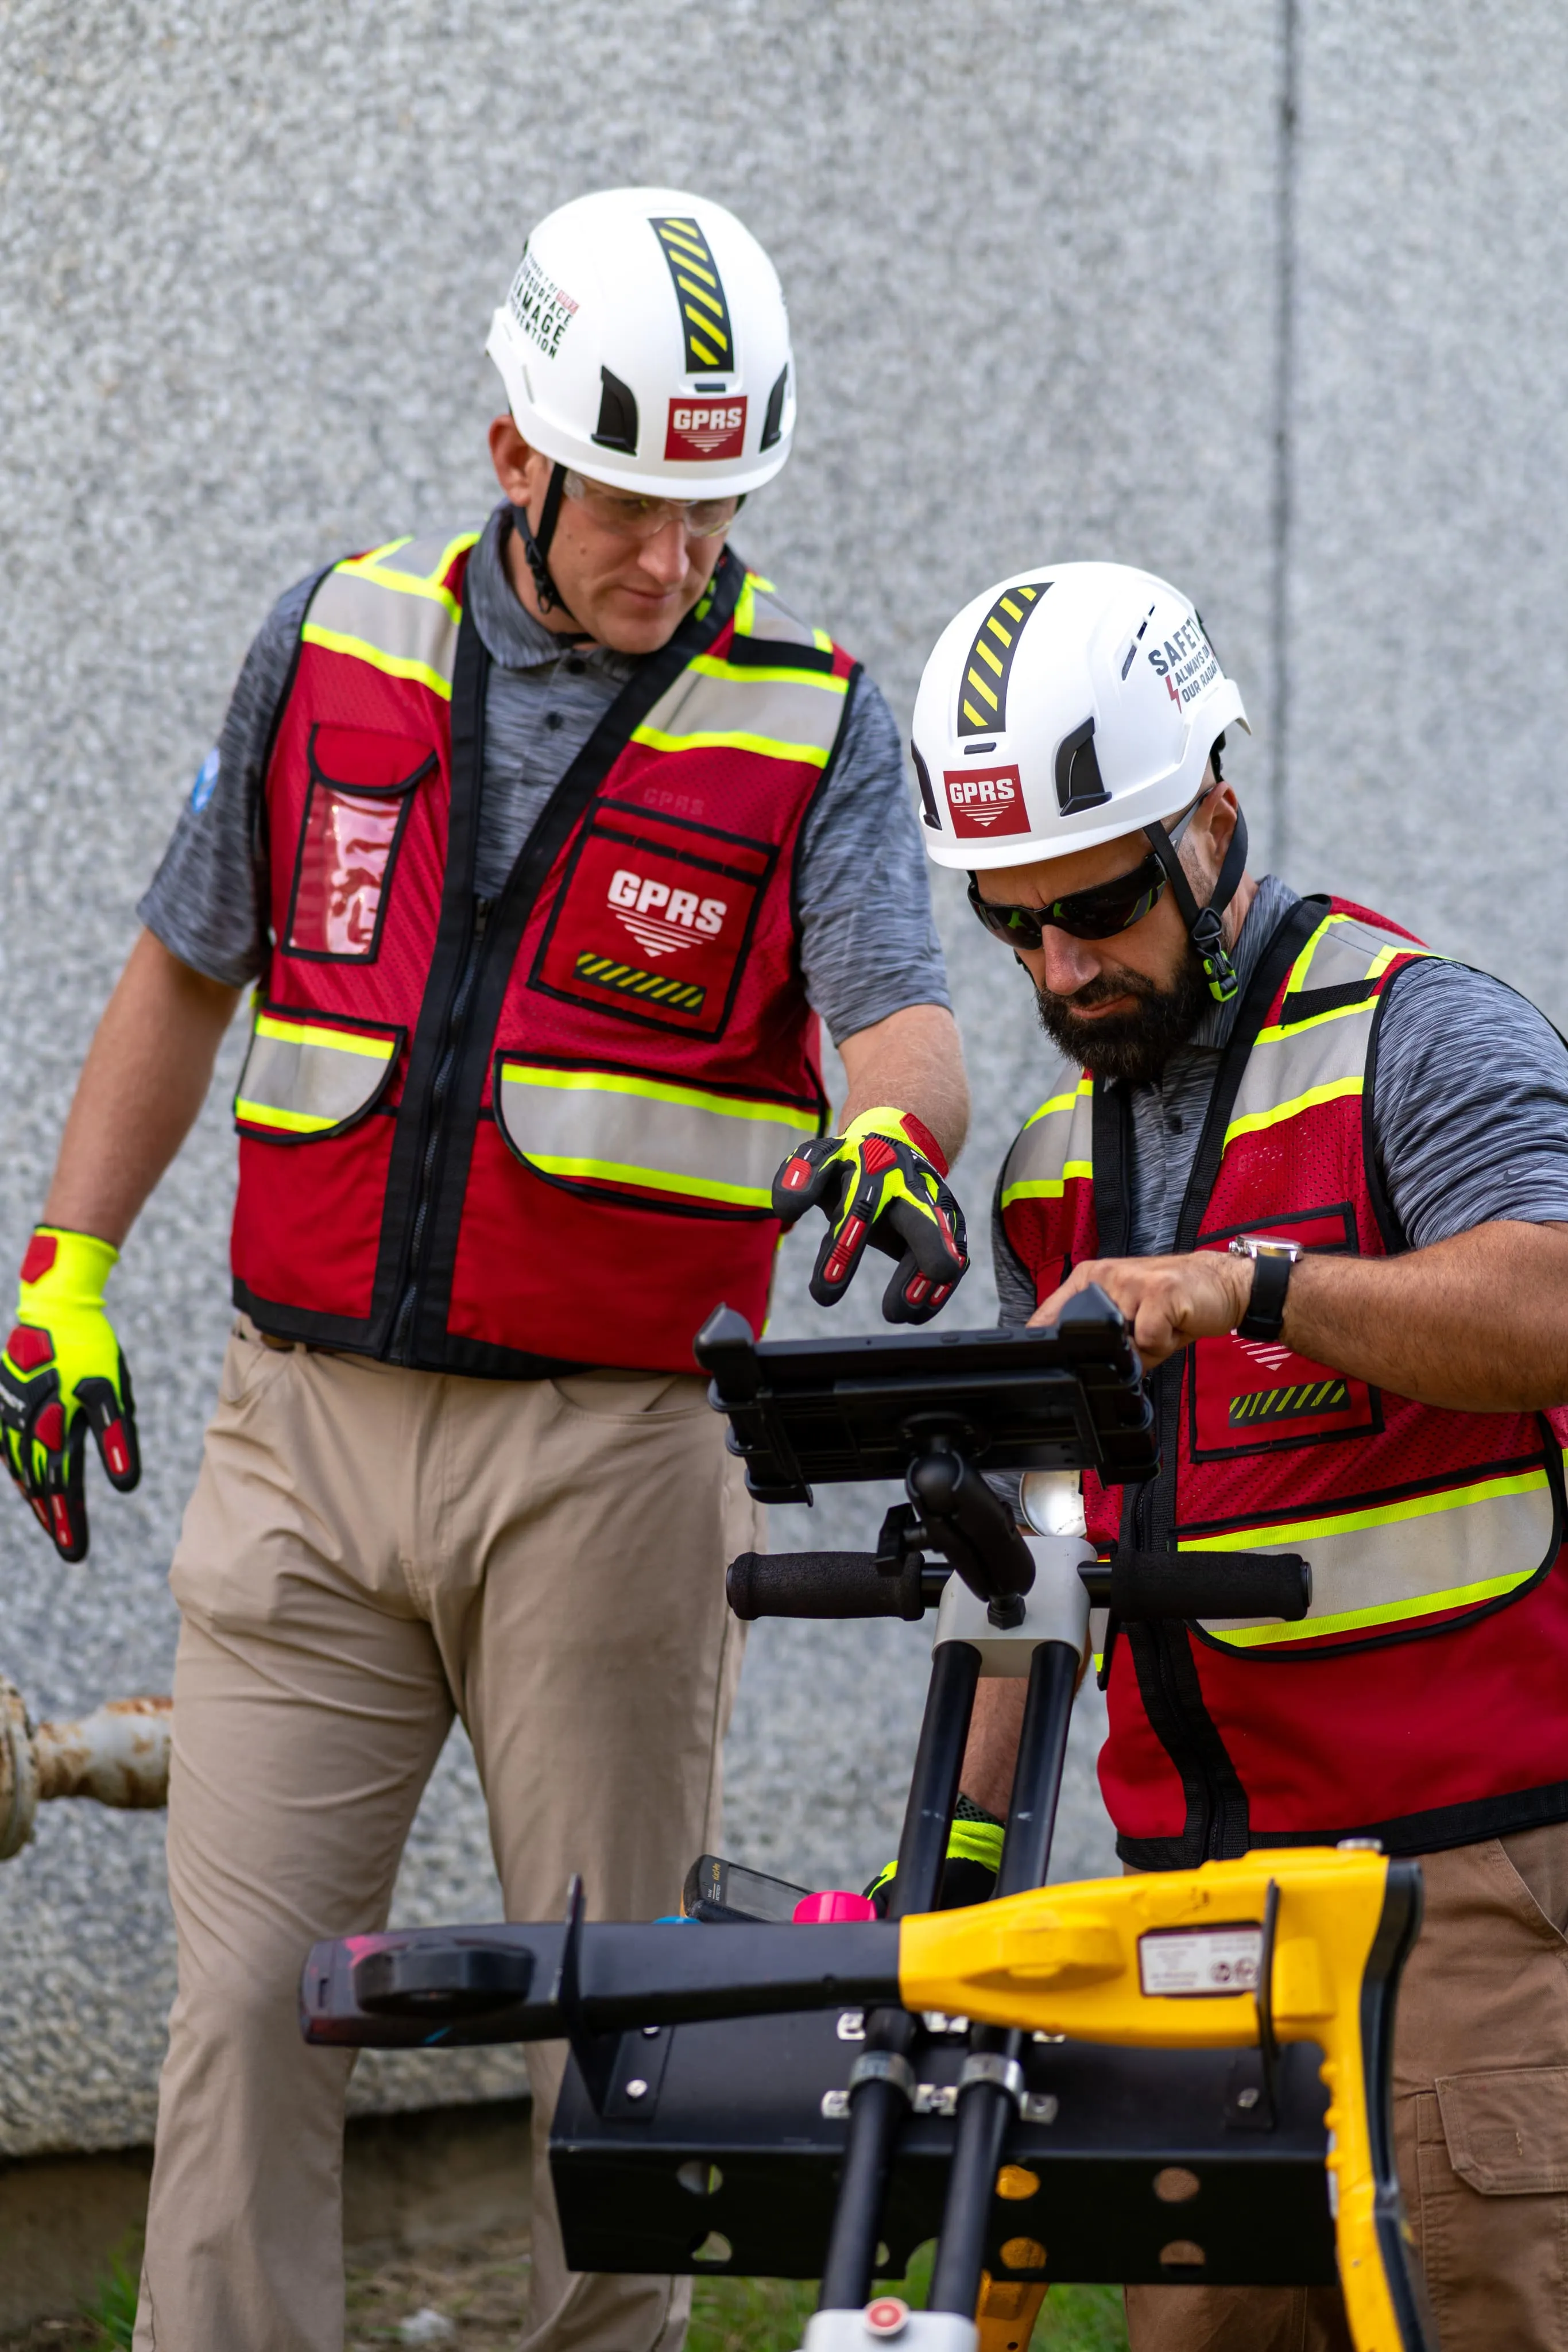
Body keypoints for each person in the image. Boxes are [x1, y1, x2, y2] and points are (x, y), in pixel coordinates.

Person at [0, 187, 971, 2352]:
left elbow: (903, 1022)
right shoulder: (331, 641)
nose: (676, 555)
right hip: (303, 1443)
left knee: (610, 2043)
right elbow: (182, 967)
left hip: (613, 1469)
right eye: (633, 502)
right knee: (243, 2011)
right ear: (515, 447)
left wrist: (894, 1136)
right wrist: (63, 1274)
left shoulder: (814, 720)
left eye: (717, 507)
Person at [908, 560, 1568, 2352]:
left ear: (1211, 816)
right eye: (1011, 923)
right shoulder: (1048, 1167)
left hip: (1461, 1898)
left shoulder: (1419, 1035)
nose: (1061, 967)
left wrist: (1254, 1285)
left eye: (1099, 905)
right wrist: (957, 1872)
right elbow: (1042, 1555)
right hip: (1190, 1916)